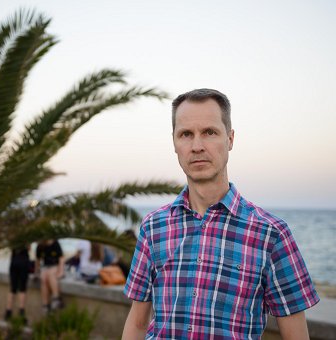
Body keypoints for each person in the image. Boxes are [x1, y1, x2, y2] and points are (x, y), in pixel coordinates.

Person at [122, 89, 319, 339]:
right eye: (186, 134)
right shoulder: (153, 227)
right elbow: (138, 323)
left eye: (209, 132)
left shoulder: (271, 234)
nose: (196, 146)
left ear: (230, 139)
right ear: (174, 143)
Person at [35, 239, 65, 313]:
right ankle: (45, 304)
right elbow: (37, 260)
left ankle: (56, 298)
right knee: (43, 278)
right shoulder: (40, 246)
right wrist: (36, 271)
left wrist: (61, 271)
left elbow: (61, 258)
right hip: (46, 266)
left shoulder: (55, 243)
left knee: (51, 274)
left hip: (55, 266)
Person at [4, 245, 31, 322]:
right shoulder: (26, 236)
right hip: (23, 263)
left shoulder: (13, 236)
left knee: (12, 289)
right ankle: (21, 312)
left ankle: (8, 311)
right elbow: (28, 248)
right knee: (22, 289)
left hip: (14, 262)